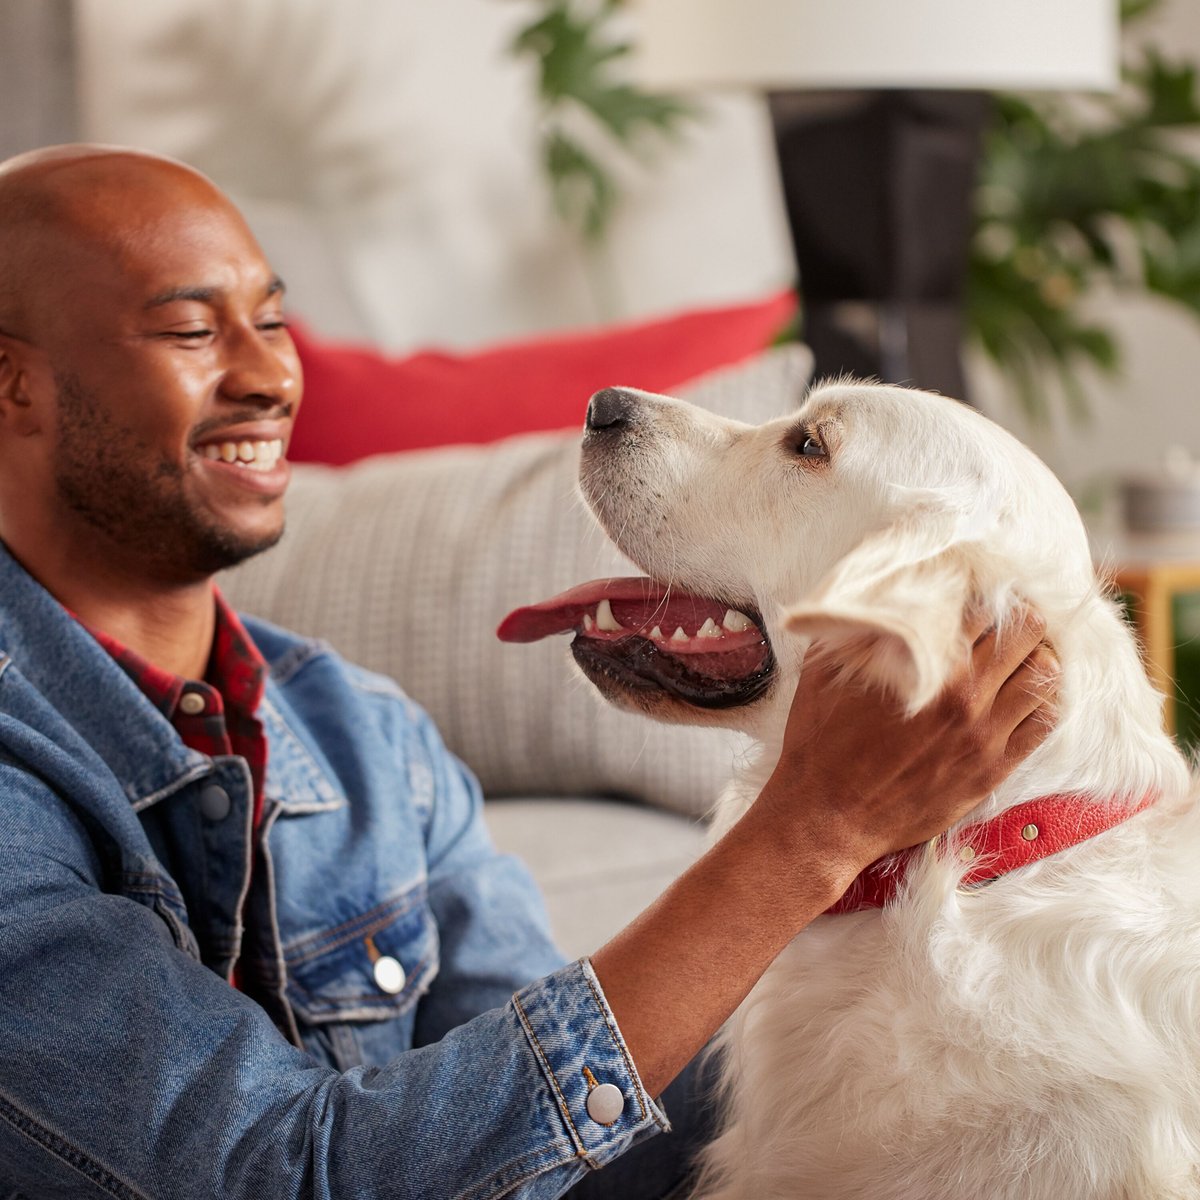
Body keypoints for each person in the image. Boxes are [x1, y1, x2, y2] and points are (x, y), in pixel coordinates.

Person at [0, 144, 1058, 1200]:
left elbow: (554, 1145)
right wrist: (811, 832)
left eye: (272, 321)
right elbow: (277, 1179)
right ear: (14, 382)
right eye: (192, 329)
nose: (272, 376)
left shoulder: (368, 741)